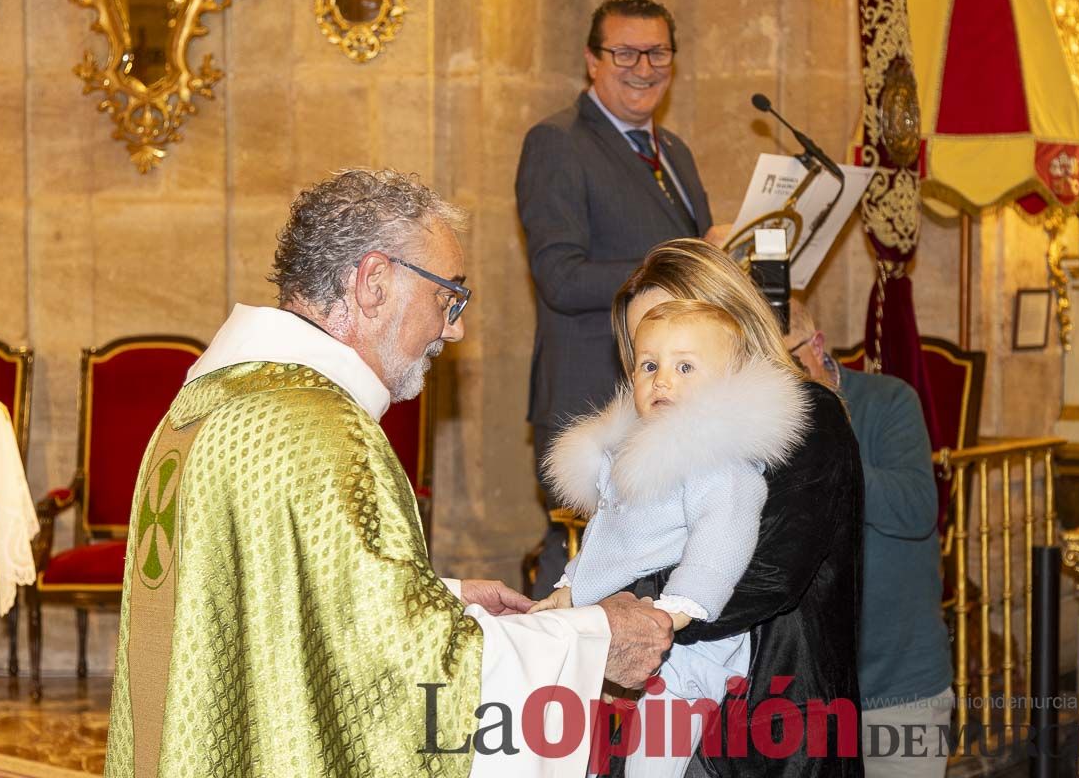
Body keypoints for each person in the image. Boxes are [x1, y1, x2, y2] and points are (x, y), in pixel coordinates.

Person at [103, 169, 674, 778]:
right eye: (447, 295)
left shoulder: (218, 401)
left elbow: (271, 603)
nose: (454, 327)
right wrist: (593, 641)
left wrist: (442, 600)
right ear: (374, 282)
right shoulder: (319, 430)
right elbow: (404, 681)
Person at [606, 240, 865, 777]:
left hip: (777, 725)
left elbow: (769, 576)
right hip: (678, 716)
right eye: (644, 353)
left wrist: (623, 620)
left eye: (682, 353)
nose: (662, 377)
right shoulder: (652, 443)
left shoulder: (803, 414)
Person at [533, 298, 810, 778]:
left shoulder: (718, 459)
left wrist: (675, 610)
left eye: (685, 366)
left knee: (654, 757)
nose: (662, 380)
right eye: (649, 365)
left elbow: (723, 538)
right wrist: (569, 588)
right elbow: (609, 540)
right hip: (646, 634)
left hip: (691, 646)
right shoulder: (636, 453)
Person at [516, 0, 729, 598]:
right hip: (595, 395)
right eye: (625, 52)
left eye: (657, 51)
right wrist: (672, 262)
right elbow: (560, 276)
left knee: (662, 573)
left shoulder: (677, 153)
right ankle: (553, 687)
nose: (644, 66)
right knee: (583, 573)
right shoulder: (556, 141)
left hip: (673, 397)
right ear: (592, 60)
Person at [786, 300, 952, 778]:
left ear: (817, 346)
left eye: (791, 365)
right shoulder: (764, 424)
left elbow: (918, 510)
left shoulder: (889, 401)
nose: (782, 385)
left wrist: (828, 445)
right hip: (808, 699)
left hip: (900, 693)